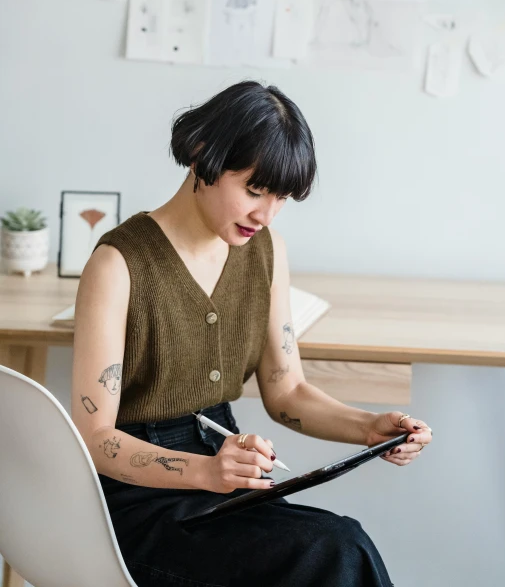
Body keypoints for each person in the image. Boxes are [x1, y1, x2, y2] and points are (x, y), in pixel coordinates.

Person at [72, 80, 432, 587]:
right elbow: (94, 439)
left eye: (281, 197)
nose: (265, 215)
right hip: (136, 506)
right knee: (332, 550)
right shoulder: (118, 265)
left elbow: (287, 391)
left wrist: (368, 427)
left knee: (337, 543)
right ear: (202, 159)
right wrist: (202, 473)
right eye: (254, 190)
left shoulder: (267, 252)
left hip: (225, 485)